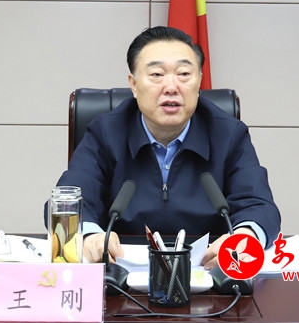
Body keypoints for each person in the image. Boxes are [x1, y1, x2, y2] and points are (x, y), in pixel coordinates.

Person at [48, 26, 280, 269]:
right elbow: (67, 200)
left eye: (184, 74)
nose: (171, 87)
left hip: (210, 274)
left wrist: (244, 237)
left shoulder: (228, 134)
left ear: (199, 82)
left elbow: (259, 206)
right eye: (157, 74)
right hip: (118, 275)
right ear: (134, 85)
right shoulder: (105, 132)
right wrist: (88, 236)